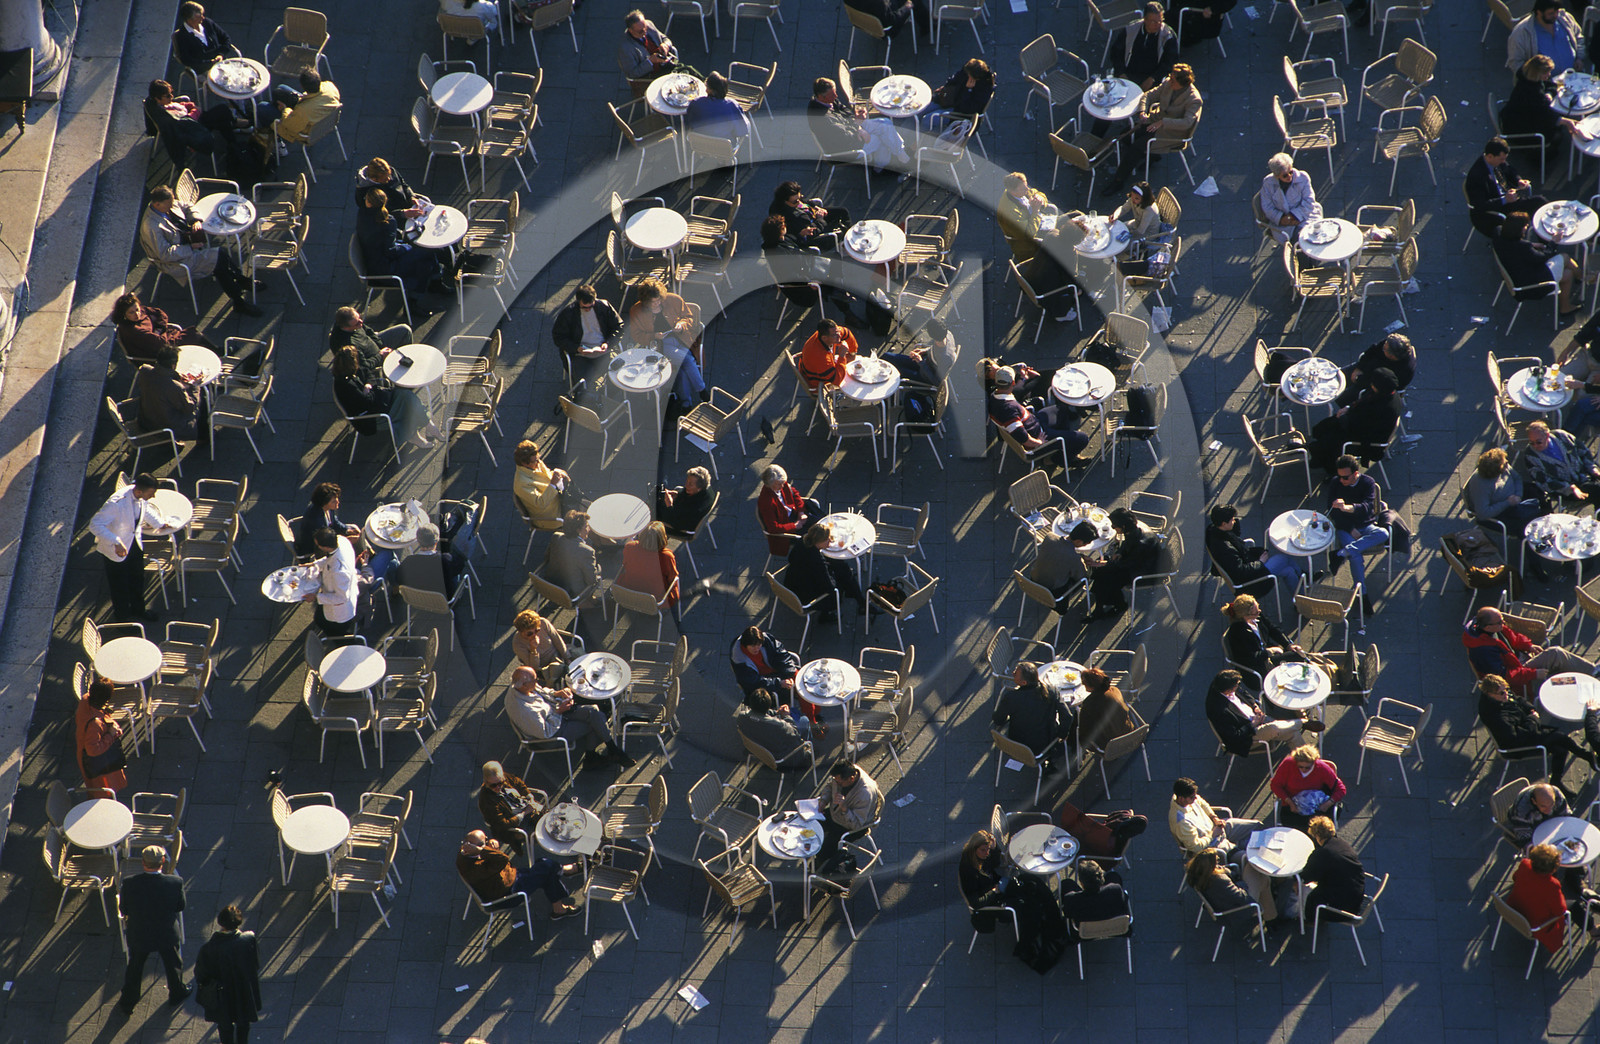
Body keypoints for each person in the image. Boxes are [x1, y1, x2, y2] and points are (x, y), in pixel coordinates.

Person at [138, 186, 262, 317]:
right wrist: (191, 247)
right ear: (157, 204)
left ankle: (240, 284)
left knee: (221, 257)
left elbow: (187, 205)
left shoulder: (167, 203)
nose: (172, 205)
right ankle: (239, 300)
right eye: (169, 204)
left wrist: (195, 219)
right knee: (219, 261)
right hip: (177, 260)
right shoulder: (151, 226)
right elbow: (165, 254)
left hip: (187, 243)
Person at [1479, 673, 1600, 797]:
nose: (1506, 694)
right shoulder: (1497, 716)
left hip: (1526, 729)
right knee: (1561, 738)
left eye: (1506, 689)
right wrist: (1532, 719)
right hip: (1517, 745)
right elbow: (1520, 736)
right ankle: (1586, 757)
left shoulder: (1501, 697)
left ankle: (1559, 779)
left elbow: (1518, 699)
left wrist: (1531, 709)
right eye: (1501, 693)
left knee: (1561, 747)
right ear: (1490, 694)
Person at [1099, 63, 1203, 197]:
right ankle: (1152, 155)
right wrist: (1142, 111)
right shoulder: (1167, 83)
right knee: (1125, 135)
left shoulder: (1194, 100)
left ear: (1183, 83)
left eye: (1173, 80)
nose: (1170, 81)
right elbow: (1148, 96)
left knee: (1135, 148)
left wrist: (1163, 122)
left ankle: (1118, 181)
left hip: (1172, 132)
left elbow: (1187, 123)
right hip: (1154, 120)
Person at [503, 666, 635, 766]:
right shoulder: (524, 710)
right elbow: (545, 732)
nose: (537, 681)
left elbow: (542, 692)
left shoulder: (522, 686)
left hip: (555, 712)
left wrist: (558, 693)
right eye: (535, 679)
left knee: (594, 712)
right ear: (524, 685)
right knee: (597, 722)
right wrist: (558, 711)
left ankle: (610, 750)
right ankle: (593, 758)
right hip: (552, 733)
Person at [89, 473, 169, 622]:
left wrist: (160, 523)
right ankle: (122, 620)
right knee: (119, 587)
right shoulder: (116, 504)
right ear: (139, 491)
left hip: (133, 544)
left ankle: (139, 610)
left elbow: (145, 510)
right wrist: (116, 541)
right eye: (151, 494)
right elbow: (95, 524)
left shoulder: (139, 495)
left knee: (137, 579)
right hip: (115, 550)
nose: (153, 497)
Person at [118, 845, 188, 1013]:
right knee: (173, 964)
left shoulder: (129, 883)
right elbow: (180, 906)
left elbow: (124, 909)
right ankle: (177, 992)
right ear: (162, 861)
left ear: (143, 863)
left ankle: (128, 1001)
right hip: (166, 934)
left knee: (135, 967)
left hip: (140, 934)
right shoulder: (174, 882)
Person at [331, 344, 441, 448]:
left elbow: (369, 375)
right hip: (369, 417)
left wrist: (368, 385)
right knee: (406, 407)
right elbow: (367, 402)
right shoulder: (346, 385)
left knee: (406, 395)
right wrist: (369, 390)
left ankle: (428, 426)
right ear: (352, 363)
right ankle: (417, 435)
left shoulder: (351, 371)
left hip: (377, 402)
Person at [456, 829, 581, 918]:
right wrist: (484, 850)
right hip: (508, 894)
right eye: (484, 844)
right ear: (472, 847)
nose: (488, 844)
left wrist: (487, 846)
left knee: (545, 867)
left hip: (510, 878)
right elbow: (503, 859)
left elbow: (497, 860)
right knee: (547, 867)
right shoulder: (475, 868)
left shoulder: (465, 854)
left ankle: (559, 909)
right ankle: (564, 871)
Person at [1206, 669, 1323, 761]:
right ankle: (1302, 722)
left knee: (1292, 733)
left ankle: (1309, 763)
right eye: (1236, 685)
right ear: (1228, 690)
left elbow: (1243, 693)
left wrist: (1254, 706)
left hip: (1256, 718)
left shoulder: (1223, 683)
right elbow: (1235, 737)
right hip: (1247, 736)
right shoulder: (1218, 709)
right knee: (1274, 727)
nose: (1238, 687)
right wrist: (1253, 724)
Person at [1221, 594, 1334, 687]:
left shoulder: (1256, 618)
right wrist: (1269, 651)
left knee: (1297, 654)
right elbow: (1251, 659)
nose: (1259, 612)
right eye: (1256, 611)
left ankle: (1324, 673)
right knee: (1298, 658)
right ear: (1245, 615)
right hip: (1258, 668)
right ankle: (1324, 676)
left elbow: (1273, 629)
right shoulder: (1238, 633)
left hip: (1268, 656)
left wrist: (1288, 644)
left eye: (1258, 608)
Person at [986, 365, 1091, 467]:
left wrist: (1024, 378)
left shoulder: (994, 396)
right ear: (1013, 382)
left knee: (1062, 409)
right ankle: (1055, 459)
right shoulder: (1009, 410)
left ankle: (1063, 446)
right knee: (1083, 439)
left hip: (1035, 421)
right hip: (1040, 435)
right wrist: (1039, 442)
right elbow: (1023, 438)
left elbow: (1018, 392)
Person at [807, 76, 910, 174]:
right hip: (845, 149)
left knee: (885, 123)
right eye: (832, 95)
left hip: (852, 129)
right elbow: (845, 137)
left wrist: (856, 120)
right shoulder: (823, 119)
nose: (836, 96)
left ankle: (896, 156)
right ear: (821, 96)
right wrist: (859, 129)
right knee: (880, 138)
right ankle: (885, 166)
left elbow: (844, 109)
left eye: (835, 93)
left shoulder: (827, 99)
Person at [1324, 456, 1388, 614]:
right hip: (1346, 528)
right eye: (1339, 476)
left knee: (1383, 533)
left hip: (1366, 525)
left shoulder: (1368, 482)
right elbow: (1333, 513)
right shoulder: (1335, 483)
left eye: (1345, 477)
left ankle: (1341, 553)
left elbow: (1367, 507)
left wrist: (1346, 508)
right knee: (1356, 557)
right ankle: (1363, 595)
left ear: (1356, 474)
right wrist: (1350, 528)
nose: (1341, 480)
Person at [356, 189, 449, 297]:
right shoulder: (387, 222)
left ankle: (424, 292)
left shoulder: (362, 214)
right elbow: (390, 252)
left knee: (425, 258)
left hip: (373, 260)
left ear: (368, 203)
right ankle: (426, 290)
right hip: (386, 268)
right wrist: (407, 247)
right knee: (427, 256)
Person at [729, 624, 822, 731]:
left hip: (778, 671)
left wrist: (789, 673)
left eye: (759, 644)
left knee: (802, 682)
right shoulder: (739, 660)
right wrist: (779, 683)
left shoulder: (766, 640)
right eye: (753, 646)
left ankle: (814, 715)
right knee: (798, 688)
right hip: (764, 681)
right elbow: (752, 682)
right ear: (745, 645)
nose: (757, 648)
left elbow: (782, 655)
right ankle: (812, 721)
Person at [1309, 369, 1402, 472]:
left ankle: (1330, 467)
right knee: (1327, 426)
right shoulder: (1387, 393)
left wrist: (1344, 418)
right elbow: (1363, 403)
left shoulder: (1384, 408)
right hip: (1360, 425)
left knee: (1331, 440)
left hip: (1366, 440)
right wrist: (1348, 408)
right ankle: (1317, 449)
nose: (1371, 385)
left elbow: (1362, 426)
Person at [194, 904, 262, 1044]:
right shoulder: (248, 939)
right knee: (243, 1022)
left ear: (221, 923)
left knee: (225, 1025)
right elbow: (255, 964)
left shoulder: (208, 949)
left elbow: (201, 975)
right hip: (243, 990)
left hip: (222, 994)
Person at [1206, 504, 1308, 596]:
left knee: (1289, 571)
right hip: (1251, 582)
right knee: (1284, 558)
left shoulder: (1213, 530)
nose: (1234, 520)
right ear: (1224, 524)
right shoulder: (1225, 549)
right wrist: (1260, 563)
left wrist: (1233, 522)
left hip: (1249, 567)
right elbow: (1241, 571)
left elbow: (1235, 536)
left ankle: (1300, 601)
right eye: (1232, 519)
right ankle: (1304, 577)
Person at [1083, 508, 1163, 621]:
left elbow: (1127, 564)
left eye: (1114, 526)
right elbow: (1127, 544)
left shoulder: (1142, 544)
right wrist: (1119, 552)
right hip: (1137, 561)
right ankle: (1100, 603)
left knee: (1107, 577)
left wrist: (1104, 564)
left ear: (1124, 526)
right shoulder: (1133, 530)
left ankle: (1118, 605)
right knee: (1102, 572)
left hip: (1144, 571)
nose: (1112, 528)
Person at [1502, 56, 1581, 167]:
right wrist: (1567, 122)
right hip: (1519, 129)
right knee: (1556, 134)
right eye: (1546, 73)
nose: (1549, 75)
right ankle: (1538, 157)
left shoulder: (1526, 78)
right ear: (1538, 74)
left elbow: (1550, 86)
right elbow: (1546, 115)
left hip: (1512, 119)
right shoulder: (1533, 93)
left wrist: (1549, 93)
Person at [990, 662, 1073, 767]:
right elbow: (1067, 716)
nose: (1013, 673)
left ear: (1024, 682)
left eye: (1015, 673)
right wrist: (1061, 735)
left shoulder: (1011, 697)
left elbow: (998, 720)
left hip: (1016, 745)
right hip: (1045, 746)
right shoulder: (1051, 691)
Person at [1465, 138, 1548, 241]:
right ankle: (1543, 245)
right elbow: (1480, 205)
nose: (1503, 162)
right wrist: (1505, 199)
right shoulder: (1476, 176)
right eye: (1501, 159)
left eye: (1504, 159)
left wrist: (1518, 181)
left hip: (1508, 199)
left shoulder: (1496, 161)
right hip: (1493, 211)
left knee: (1541, 202)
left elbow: (1509, 169)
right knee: (1533, 209)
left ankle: (1544, 241)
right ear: (1490, 156)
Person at [1468, 447, 1545, 551]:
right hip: (1501, 512)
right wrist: (1507, 502)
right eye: (1504, 464)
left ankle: (1547, 521)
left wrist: (1518, 496)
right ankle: (1534, 561)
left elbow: (1517, 478)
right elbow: (1483, 513)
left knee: (1537, 490)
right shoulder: (1482, 486)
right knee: (1525, 526)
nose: (1507, 463)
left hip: (1514, 499)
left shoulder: (1504, 465)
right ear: (1497, 471)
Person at [785, 521, 867, 618]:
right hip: (805, 597)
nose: (830, 541)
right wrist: (833, 574)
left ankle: (860, 600)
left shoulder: (803, 541)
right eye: (827, 539)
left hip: (791, 584)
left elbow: (791, 558)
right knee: (843, 575)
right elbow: (830, 587)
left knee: (842, 568)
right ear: (818, 542)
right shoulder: (817, 561)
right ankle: (826, 615)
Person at [1169, 776, 1263, 860]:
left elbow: (1202, 803)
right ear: (1181, 798)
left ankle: (1244, 844)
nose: (1195, 799)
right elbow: (1196, 847)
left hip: (1217, 827)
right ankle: (1243, 848)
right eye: (1192, 797)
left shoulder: (1180, 797)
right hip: (1212, 844)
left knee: (1257, 825)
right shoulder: (1182, 822)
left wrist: (1214, 818)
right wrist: (1213, 834)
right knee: (1245, 857)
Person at [143, 79, 235, 165]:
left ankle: (233, 140)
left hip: (194, 120)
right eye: (168, 95)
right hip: (195, 129)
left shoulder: (164, 104)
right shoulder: (167, 115)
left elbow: (177, 105)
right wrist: (196, 110)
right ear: (157, 99)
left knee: (223, 117)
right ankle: (233, 140)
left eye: (171, 93)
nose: (171, 96)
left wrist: (189, 106)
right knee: (222, 112)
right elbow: (187, 121)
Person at [1492, 232, 1582, 317]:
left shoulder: (1498, 233)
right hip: (1532, 285)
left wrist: (1532, 245)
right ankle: (1581, 276)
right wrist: (1553, 242)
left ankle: (1565, 306)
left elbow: (1519, 244)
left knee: (1568, 274)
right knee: (1565, 257)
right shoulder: (1524, 248)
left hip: (1518, 276)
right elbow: (1542, 257)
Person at [112, 292, 214, 365]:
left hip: (162, 339)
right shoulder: (134, 330)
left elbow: (160, 313)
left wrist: (159, 329)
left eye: (137, 309)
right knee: (195, 337)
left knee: (196, 337)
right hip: (155, 353)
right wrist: (161, 331)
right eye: (131, 312)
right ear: (124, 315)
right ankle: (217, 356)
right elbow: (160, 343)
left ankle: (217, 354)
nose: (137, 314)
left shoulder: (141, 312)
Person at [551, 284, 623, 388]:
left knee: (618, 375)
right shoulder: (568, 314)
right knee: (585, 385)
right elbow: (558, 337)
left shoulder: (604, 306)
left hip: (604, 351)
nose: (588, 309)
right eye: (585, 307)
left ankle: (606, 397)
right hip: (580, 355)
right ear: (578, 301)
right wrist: (577, 348)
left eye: (591, 306)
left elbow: (619, 326)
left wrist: (608, 343)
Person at [1509, 843, 1576, 951]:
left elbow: (1515, 877)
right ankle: (1593, 930)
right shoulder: (1552, 885)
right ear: (1554, 868)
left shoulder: (1525, 864)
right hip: (1536, 923)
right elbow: (1560, 911)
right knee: (1575, 905)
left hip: (1515, 908)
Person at [1298, 816, 1365, 921]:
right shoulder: (1342, 844)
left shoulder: (1322, 854)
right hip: (1356, 896)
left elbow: (1306, 877)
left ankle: (1310, 921)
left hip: (1343, 909)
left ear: (1317, 836)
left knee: (1310, 898)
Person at [816, 761, 883, 864]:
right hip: (836, 812)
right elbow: (830, 786)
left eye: (840, 783)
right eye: (836, 781)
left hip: (852, 825)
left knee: (823, 850)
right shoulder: (845, 774)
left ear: (851, 779)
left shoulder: (864, 794)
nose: (837, 784)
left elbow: (856, 824)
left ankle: (819, 869)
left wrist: (844, 808)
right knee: (811, 824)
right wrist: (824, 801)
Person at [134, 344, 204, 441]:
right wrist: (196, 386)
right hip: (167, 428)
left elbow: (159, 380)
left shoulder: (144, 370)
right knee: (201, 401)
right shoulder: (174, 387)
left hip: (145, 420)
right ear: (173, 365)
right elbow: (190, 407)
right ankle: (204, 436)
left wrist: (176, 376)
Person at [618, 522, 683, 625]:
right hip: (656, 598)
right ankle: (660, 611)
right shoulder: (666, 556)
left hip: (631, 592)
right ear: (662, 537)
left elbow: (625, 564)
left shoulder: (630, 547)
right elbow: (672, 577)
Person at [1269, 744, 1347, 831]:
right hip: (1293, 806)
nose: (1304, 770)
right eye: (1300, 767)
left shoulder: (1321, 768)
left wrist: (1327, 804)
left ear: (1314, 762)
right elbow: (1275, 785)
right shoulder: (1288, 764)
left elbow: (1341, 789)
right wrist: (1289, 802)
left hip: (1316, 807)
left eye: (1307, 767)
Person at [733, 688, 815, 771]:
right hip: (783, 761)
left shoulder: (741, 716)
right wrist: (786, 716)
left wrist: (777, 712)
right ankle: (807, 755)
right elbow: (795, 733)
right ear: (768, 705)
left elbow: (761, 715)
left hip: (760, 752)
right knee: (804, 720)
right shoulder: (779, 725)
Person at [1521, 420, 1600, 504]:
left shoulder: (1562, 436)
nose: (1535, 446)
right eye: (1532, 443)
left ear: (1547, 435)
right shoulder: (1530, 455)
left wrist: (1593, 469)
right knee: (1596, 492)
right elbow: (1544, 482)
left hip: (1584, 477)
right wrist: (1570, 488)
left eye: (1538, 442)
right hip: (1563, 490)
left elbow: (1583, 451)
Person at [477, 760, 547, 852]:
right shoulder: (487, 801)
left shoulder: (503, 777)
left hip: (525, 808)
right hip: (512, 826)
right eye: (493, 785)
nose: (498, 787)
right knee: (541, 835)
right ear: (485, 782)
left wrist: (529, 796)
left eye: (500, 783)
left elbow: (518, 782)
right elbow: (503, 825)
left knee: (550, 821)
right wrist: (525, 812)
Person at [625, 277, 702, 357]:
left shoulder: (674, 299)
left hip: (682, 339)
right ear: (645, 301)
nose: (656, 303)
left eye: (658, 300)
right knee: (687, 359)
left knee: (687, 358)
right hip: (660, 346)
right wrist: (654, 336)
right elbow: (636, 335)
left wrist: (681, 325)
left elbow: (688, 317)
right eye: (652, 302)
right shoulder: (636, 311)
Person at [1334, 332, 1416, 409]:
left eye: (1384, 349)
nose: (1382, 347)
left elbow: (1383, 388)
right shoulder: (1389, 343)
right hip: (1366, 369)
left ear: (1392, 356)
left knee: (1341, 398)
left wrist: (1359, 380)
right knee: (1336, 378)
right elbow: (1371, 351)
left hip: (1376, 387)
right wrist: (1359, 368)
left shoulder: (1403, 372)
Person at [305, 527, 360, 636]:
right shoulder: (341, 541)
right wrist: (315, 564)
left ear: (325, 547)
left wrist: (316, 597)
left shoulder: (339, 572)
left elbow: (342, 597)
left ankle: (345, 646)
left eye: (318, 545)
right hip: (330, 596)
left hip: (340, 611)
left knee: (334, 632)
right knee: (319, 618)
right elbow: (329, 559)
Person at [1111, 2, 1179, 91]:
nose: (1158, 24)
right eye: (1154, 21)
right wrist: (1121, 73)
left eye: (1161, 20)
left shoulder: (1167, 36)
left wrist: (1153, 78)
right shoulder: (1130, 30)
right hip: (1128, 74)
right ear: (1145, 20)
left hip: (1153, 78)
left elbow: (1170, 62)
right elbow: (1116, 52)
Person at [76, 677, 128, 793]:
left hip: (86, 754)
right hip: (101, 763)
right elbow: (93, 750)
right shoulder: (95, 724)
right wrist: (111, 734)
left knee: (98, 789)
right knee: (104, 790)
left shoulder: (85, 701)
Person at [770, 180, 852, 253]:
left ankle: (847, 241)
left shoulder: (783, 200)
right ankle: (848, 242)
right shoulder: (794, 218)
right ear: (785, 201)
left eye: (800, 197)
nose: (799, 203)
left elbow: (804, 201)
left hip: (813, 213)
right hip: (816, 224)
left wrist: (815, 207)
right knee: (841, 229)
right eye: (795, 201)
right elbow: (812, 232)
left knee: (843, 211)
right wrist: (820, 218)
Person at [1022, 226, 1085, 320]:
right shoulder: (1070, 253)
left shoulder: (1052, 234)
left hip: (1029, 279)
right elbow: (1071, 278)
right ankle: (1061, 314)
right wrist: (1079, 289)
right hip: (1043, 294)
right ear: (1077, 241)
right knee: (1078, 290)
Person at [758, 464, 821, 556]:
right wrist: (795, 525)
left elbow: (795, 494)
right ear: (770, 484)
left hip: (795, 514)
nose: (783, 486)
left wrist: (801, 511)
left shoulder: (781, 484)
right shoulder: (766, 502)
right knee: (815, 538)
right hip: (787, 527)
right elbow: (773, 528)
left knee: (822, 524)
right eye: (779, 484)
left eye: (783, 483)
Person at [1507, 0, 1585, 74]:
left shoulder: (1566, 19)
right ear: (1539, 12)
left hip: (1572, 78)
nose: (1555, 15)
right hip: (1544, 84)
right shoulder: (1522, 32)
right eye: (1550, 13)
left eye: (1557, 12)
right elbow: (1515, 62)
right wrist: (1534, 76)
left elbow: (1579, 38)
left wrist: (1579, 58)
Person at [1259, 153, 1322, 244]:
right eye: (1285, 175)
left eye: (1291, 172)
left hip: (1305, 216)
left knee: (1307, 237)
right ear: (1276, 176)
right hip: (1282, 224)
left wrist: (1293, 216)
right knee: (1299, 242)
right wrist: (1281, 219)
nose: (1289, 176)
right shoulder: (1268, 183)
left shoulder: (1303, 177)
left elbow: (1309, 202)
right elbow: (1267, 207)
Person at [543, 510, 602, 604]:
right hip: (571, 595)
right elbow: (591, 581)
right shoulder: (586, 551)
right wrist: (598, 570)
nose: (589, 529)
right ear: (578, 530)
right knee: (597, 572)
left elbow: (546, 558)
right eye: (586, 526)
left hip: (551, 585)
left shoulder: (556, 537)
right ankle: (588, 602)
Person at [1028, 524, 1091, 611]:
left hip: (1031, 582)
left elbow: (1059, 553)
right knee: (1086, 577)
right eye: (1086, 543)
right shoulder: (1075, 558)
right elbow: (1080, 576)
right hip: (1052, 593)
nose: (1085, 546)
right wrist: (1085, 563)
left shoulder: (1050, 537)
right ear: (1079, 541)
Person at [391, 522, 466, 596]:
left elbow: (399, 578)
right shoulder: (446, 560)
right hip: (444, 601)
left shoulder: (408, 561)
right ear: (436, 542)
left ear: (418, 542)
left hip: (417, 600)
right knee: (454, 570)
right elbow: (460, 566)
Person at [270, 71, 341, 147]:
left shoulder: (303, 110)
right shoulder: (330, 86)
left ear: (303, 87)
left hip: (306, 133)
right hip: (325, 121)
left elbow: (289, 125)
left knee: (263, 108)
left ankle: (279, 145)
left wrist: (285, 109)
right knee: (281, 87)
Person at [512, 440, 570, 530]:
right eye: (535, 461)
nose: (539, 462)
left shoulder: (534, 462)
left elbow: (545, 476)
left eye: (538, 458)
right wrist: (553, 484)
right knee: (579, 520)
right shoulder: (522, 483)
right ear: (524, 463)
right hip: (551, 516)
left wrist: (556, 473)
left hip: (558, 499)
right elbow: (540, 503)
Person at [294, 482, 362, 559]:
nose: (337, 502)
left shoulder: (328, 508)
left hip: (327, 536)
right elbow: (325, 544)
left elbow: (334, 521)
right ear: (324, 503)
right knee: (357, 544)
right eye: (333, 501)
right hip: (315, 547)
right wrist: (346, 541)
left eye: (337, 498)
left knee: (356, 534)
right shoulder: (316, 521)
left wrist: (347, 530)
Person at [1057, 860, 1130, 930]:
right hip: (1116, 929)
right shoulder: (1116, 890)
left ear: (1082, 884)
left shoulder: (1072, 900)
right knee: (1113, 876)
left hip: (1085, 934)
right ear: (1101, 878)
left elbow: (1068, 914)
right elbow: (1124, 904)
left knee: (1066, 883)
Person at [172, 2, 239, 75]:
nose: (203, 18)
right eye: (199, 16)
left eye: (202, 15)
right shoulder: (181, 36)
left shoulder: (207, 23)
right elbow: (187, 60)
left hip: (221, 62)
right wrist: (210, 62)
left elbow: (225, 38)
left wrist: (221, 54)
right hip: (203, 70)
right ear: (189, 20)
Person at [997, 172, 1050, 262]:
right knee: (1062, 240)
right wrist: (1036, 211)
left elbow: (1036, 192)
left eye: (1026, 185)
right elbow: (1029, 234)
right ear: (1013, 191)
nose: (1027, 189)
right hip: (1029, 244)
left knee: (1075, 215)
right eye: (1023, 188)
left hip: (1040, 222)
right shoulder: (1010, 212)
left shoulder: (1020, 191)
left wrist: (1040, 198)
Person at [1078, 668, 1135, 751]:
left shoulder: (1090, 703)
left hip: (1110, 745)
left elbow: (1083, 730)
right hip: (1129, 733)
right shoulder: (1115, 690)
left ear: (1090, 686)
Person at [927, 58, 995, 128]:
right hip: (950, 99)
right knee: (925, 108)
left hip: (959, 112)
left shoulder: (984, 89)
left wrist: (968, 90)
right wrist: (946, 88)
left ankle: (923, 135)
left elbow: (967, 109)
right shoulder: (967, 71)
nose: (967, 76)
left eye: (969, 75)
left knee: (927, 120)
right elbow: (954, 79)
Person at [617, 10, 680, 84]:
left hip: (665, 63)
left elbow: (665, 38)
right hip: (650, 77)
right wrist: (650, 61)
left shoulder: (649, 24)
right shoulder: (625, 48)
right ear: (631, 31)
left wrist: (665, 45)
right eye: (640, 31)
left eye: (645, 27)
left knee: (688, 71)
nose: (645, 32)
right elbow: (632, 74)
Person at [684, 71, 751, 140]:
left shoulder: (696, 103)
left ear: (709, 90)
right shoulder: (733, 105)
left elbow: (691, 122)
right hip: (724, 148)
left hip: (700, 145)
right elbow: (742, 131)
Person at [511, 608, 569, 685]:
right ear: (521, 632)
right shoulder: (518, 643)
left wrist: (567, 657)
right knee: (559, 676)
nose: (535, 635)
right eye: (529, 634)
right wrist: (533, 650)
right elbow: (533, 668)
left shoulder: (543, 623)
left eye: (537, 630)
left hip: (557, 654)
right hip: (544, 667)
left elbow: (557, 641)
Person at [798, 319, 860, 392]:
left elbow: (847, 333)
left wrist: (852, 353)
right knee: (854, 382)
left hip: (821, 369)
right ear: (824, 338)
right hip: (818, 384)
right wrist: (842, 356)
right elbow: (837, 380)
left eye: (838, 332)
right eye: (835, 335)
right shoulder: (820, 357)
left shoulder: (829, 333)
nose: (839, 336)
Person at [354, 157, 427, 214]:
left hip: (408, 206)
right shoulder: (365, 193)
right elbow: (376, 214)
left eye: (389, 175)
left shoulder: (389, 171)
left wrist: (411, 196)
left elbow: (403, 184)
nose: (389, 178)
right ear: (375, 179)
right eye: (385, 178)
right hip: (395, 218)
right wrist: (402, 213)